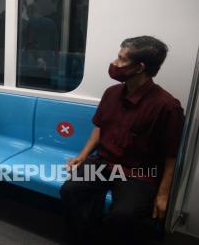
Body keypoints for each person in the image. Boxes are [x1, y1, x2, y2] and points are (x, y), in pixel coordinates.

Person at [60, 36, 184, 244]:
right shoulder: (111, 93)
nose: (114, 64)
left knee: (123, 216)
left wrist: (163, 195)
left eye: (121, 59)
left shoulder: (167, 106)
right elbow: (100, 129)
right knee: (70, 190)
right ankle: (87, 236)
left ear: (139, 67)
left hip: (139, 173)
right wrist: (82, 156)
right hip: (104, 163)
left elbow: (170, 155)